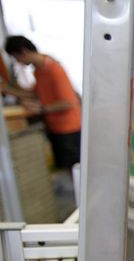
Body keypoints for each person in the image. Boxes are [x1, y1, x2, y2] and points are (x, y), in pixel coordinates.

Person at [2, 35, 82, 172]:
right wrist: (9, 91)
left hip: (68, 128)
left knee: (74, 171)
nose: (18, 62)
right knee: (65, 168)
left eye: (17, 57)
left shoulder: (53, 69)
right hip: (56, 127)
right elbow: (36, 93)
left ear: (24, 52)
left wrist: (40, 109)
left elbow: (68, 103)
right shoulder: (39, 71)